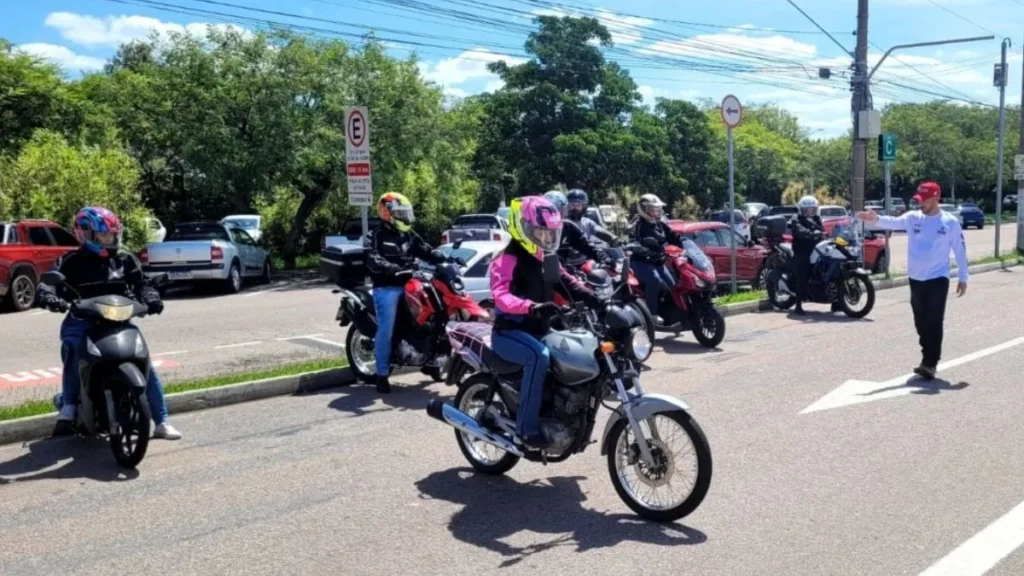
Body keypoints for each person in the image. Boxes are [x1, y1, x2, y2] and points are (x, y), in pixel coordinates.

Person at [37, 207, 182, 440]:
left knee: (145, 362)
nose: (110, 240)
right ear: (85, 234)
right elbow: (47, 284)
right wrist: (49, 297)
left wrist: (151, 298)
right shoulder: (71, 261)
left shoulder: (125, 259)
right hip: (82, 322)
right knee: (75, 352)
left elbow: (142, 285)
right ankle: (69, 406)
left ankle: (162, 421)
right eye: (104, 236)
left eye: (113, 235)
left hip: (119, 321)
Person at [489, 195, 601, 449]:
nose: (547, 238)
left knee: (577, 351)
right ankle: (526, 429)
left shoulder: (544, 257)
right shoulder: (506, 258)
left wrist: (594, 297)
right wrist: (532, 307)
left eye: (551, 233)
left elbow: (567, 281)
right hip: (510, 331)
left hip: (541, 328)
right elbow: (501, 296)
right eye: (542, 232)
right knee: (538, 357)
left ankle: (563, 415)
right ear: (522, 228)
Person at [858, 181, 968, 380]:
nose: (921, 204)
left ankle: (930, 362)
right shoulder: (913, 218)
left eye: (925, 200)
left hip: (938, 277)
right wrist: (876, 219)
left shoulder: (950, 222)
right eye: (919, 200)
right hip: (916, 278)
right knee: (920, 320)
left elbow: (959, 249)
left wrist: (963, 277)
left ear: (935, 198)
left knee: (934, 319)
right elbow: (893, 222)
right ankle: (927, 355)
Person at [366, 192, 447, 394]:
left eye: (406, 213)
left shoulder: (409, 235)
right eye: (401, 213)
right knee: (386, 328)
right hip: (387, 287)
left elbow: (426, 250)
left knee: (435, 314)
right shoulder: (375, 235)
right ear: (387, 213)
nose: (405, 217)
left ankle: (430, 360)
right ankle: (382, 374)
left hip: (411, 283)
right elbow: (372, 257)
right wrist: (390, 267)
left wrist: (445, 257)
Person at [627, 193, 683, 325]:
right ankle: (651, 314)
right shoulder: (636, 224)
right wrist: (645, 250)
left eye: (658, 209)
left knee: (673, 285)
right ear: (644, 209)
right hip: (640, 262)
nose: (657, 212)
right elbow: (631, 242)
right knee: (655, 280)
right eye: (653, 209)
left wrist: (682, 242)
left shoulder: (659, 223)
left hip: (658, 262)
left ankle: (672, 314)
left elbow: (672, 235)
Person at [543, 190, 608, 269]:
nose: (575, 208)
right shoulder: (537, 229)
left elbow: (586, 245)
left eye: (578, 204)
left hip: (570, 268)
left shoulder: (568, 227)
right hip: (550, 269)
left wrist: (604, 258)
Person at [790, 195, 825, 315]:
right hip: (802, 250)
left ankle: (837, 303)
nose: (810, 212)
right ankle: (798, 305)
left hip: (816, 248)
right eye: (807, 210)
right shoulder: (796, 218)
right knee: (803, 274)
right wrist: (810, 234)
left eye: (812, 209)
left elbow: (822, 229)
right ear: (801, 209)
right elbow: (798, 229)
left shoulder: (817, 219)